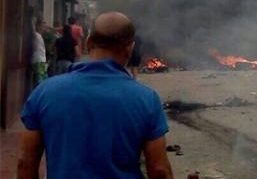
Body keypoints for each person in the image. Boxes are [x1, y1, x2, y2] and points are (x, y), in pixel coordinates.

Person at [17, 11, 174, 179]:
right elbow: (159, 170)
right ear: (130, 49)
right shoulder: (146, 99)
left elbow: (25, 163)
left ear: (89, 42)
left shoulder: (44, 92)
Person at [31, 21, 47, 86]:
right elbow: (32, 30)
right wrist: (32, 22)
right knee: (40, 80)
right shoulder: (36, 35)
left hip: (41, 60)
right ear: (38, 26)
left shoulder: (40, 36)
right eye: (42, 26)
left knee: (42, 79)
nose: (43, 28)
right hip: (38, 60)